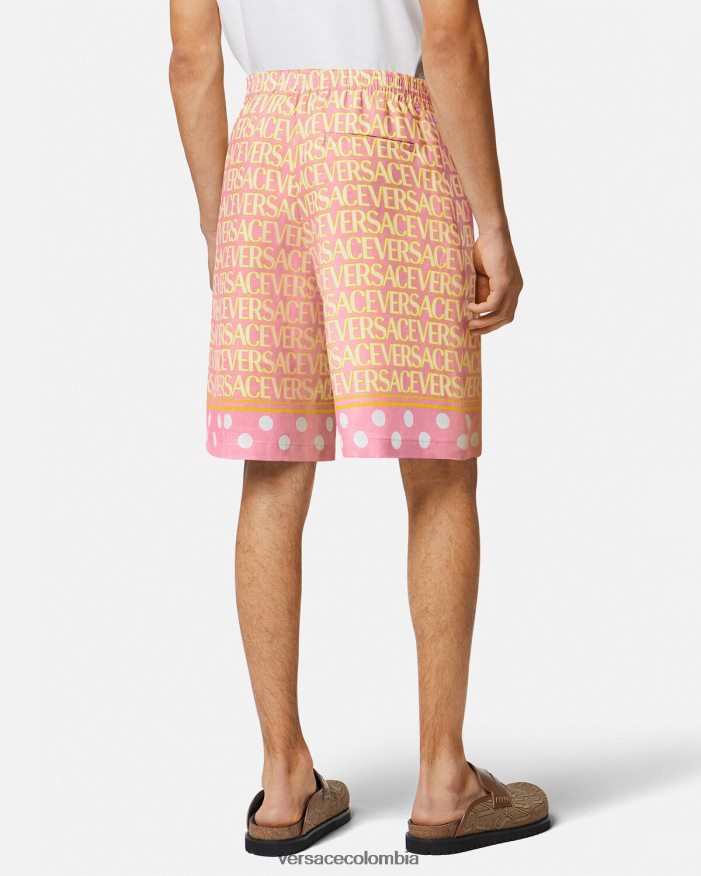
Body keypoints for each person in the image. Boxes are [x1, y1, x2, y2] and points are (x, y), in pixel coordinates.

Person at [169, 0, 549, 857]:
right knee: (437, 463)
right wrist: (492, 223)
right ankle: (443, 780)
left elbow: (192, 59)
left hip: (262, 154)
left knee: (272, 465)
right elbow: (450, 38)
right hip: (387, 145)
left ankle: (283, 781)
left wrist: (221, 222)